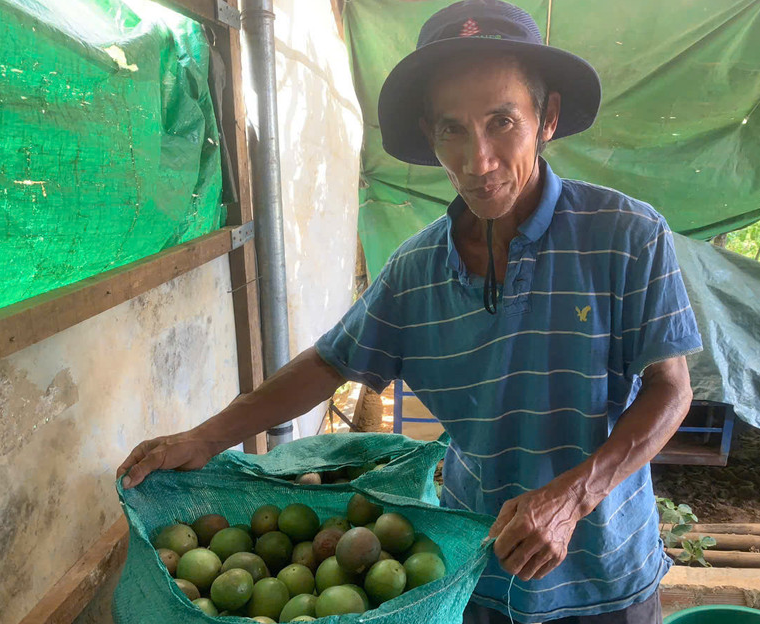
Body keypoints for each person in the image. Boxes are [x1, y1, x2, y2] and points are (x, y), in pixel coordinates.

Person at [117, 1, 702, 622]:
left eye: (502, 121)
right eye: (453, 129)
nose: (478, 162)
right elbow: (326, 363)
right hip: (476, 568)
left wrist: (575, 495)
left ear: (546, 118)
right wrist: (205, 438)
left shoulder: (627, 235)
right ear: (430, 136)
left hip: (605, 575)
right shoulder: (417, 270)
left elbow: (671, 391)